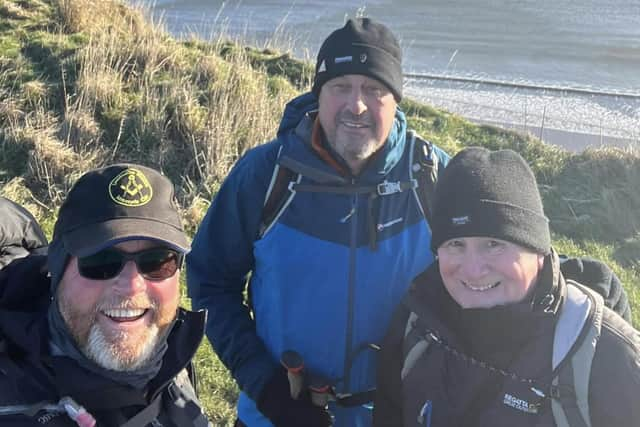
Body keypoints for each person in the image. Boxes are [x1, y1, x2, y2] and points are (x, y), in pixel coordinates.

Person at [187, 17, 450, 427]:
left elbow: (496, 270)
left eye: (374, 89)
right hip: (276, 414)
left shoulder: (432, 177)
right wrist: (267, 387)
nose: (356, 105)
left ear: (397, 100)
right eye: (340, 86)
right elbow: (210, 282)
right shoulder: (267, 175)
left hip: (402, 415)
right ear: (318, 95)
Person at [373, 147, 640, 427]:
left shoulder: (606, 355)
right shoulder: (417, 326)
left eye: (493, 244)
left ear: (538, 251)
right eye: (456, 244)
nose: (473, 270)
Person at [0, 164, 211, 427]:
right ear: (55, 270)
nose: (132, 286)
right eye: (102, 261)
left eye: (157, 262)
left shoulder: (172, 351)